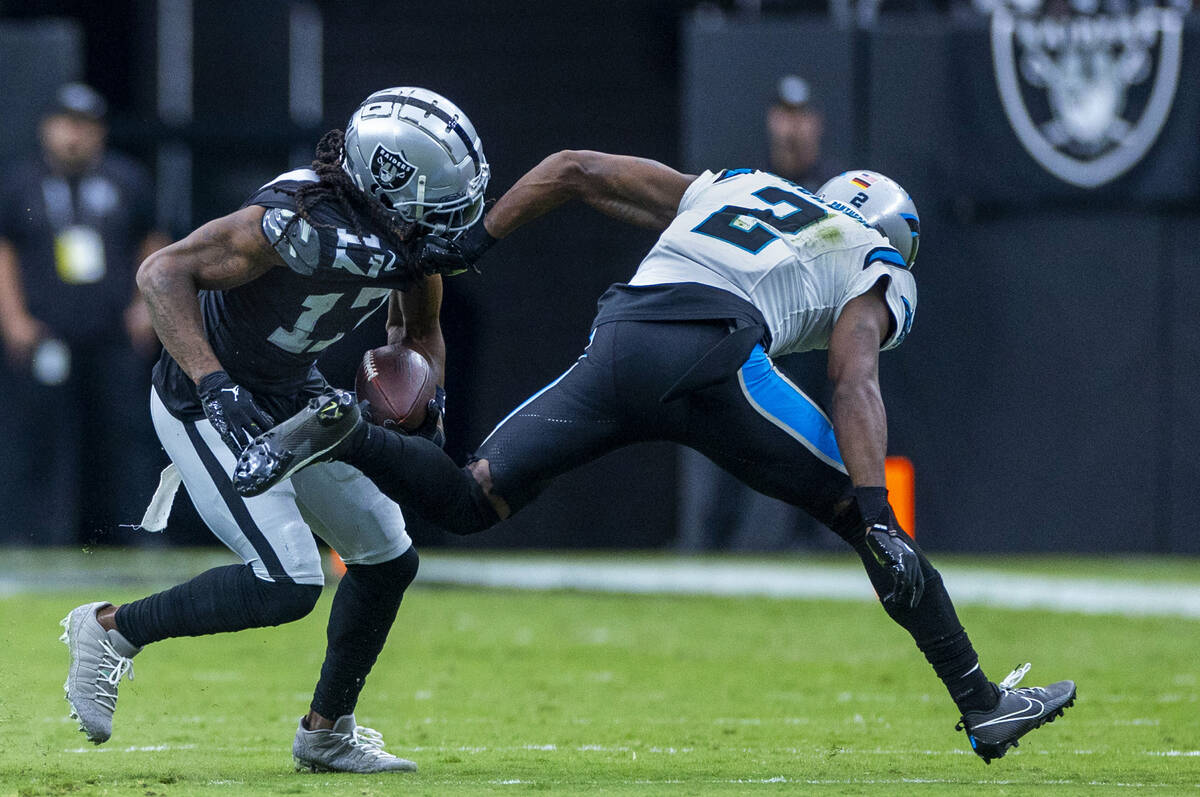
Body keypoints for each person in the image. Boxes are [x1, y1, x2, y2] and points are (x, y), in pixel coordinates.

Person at [238, 150, 1077, 763]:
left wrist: (470, 244)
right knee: (869, 526)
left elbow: (573, 169)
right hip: (714, 356)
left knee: (467, 499)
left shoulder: (742, 184)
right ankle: (982, 701)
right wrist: (879, 509)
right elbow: (855, 377)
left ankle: (347, 430)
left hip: (626, 334)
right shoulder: (876, 256)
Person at [58, 87, 488, 773]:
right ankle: (111, 630)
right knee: (287, 583)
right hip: (207, 397)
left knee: (387, 558)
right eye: (439, 195)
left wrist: (423, 386)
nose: (453, 216)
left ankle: (327, 731)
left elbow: (418, 327)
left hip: (294, 392)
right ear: (390, 179)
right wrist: (211, 382)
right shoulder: (299, 217)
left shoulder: (410, 238)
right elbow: (162, 271)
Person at [678, 73, 847, 553]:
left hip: (812, 330)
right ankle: (713, 540)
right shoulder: (753, 183)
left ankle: (815, 539)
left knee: (816, 428)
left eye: (800, 116)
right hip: (760, 327)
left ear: (815, 123)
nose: (791, 128)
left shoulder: (832, 190)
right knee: (733, 425)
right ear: (772, 120)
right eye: (784, 115)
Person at [0, 83, 171, 545]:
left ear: (100, 132)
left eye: (85, 126)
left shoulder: (126, 179)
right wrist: (13, 318)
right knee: (39, 437)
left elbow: (154, 244)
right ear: (46, 129)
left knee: (126, 434)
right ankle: (36, 537)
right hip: (45, 332)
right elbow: (6, 251)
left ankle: (137, 535)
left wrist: (148, 309)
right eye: (65, 125)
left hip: (114, 331)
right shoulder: (20, 183)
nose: (74, 136)